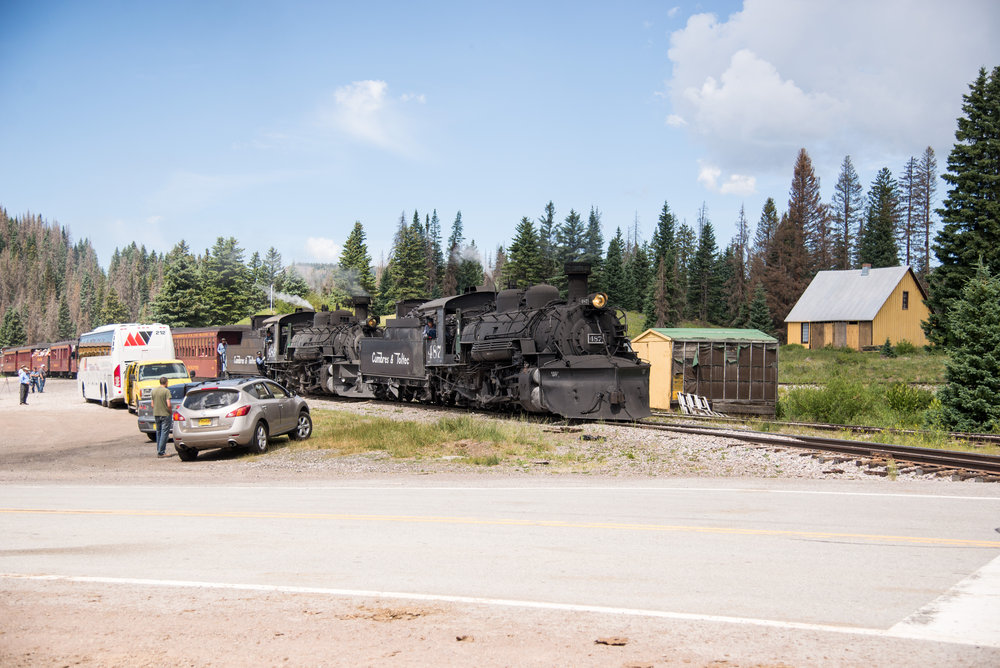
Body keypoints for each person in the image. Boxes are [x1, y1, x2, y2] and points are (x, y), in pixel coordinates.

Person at [151, 376, 172, 458]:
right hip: (165, 414)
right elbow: (169, 404)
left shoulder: (154, 391)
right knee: (164, 433)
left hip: (156, 414)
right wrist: (170, 412)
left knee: (158, 432)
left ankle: (159, 449)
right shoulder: (166, 391)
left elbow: (152, 404)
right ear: (166, 382)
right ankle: (161, 452)